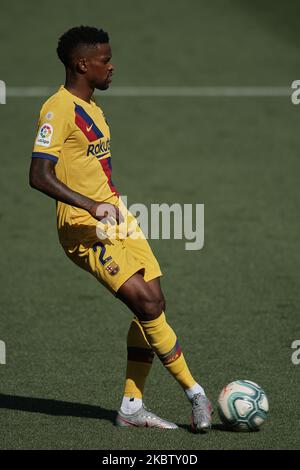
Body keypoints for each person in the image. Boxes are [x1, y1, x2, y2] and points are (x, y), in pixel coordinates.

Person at [29, 25, 212, 431]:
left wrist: (106, 207)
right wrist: (90, 206)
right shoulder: (57, 109)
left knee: (154, 304)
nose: (112, 67)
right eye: (105, 60)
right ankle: (196, 394)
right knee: (146, 305)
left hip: (115, 216)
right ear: (82, 63)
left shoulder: (92, 107)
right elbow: (39, 175)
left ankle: (132, 406)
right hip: (83, 226)